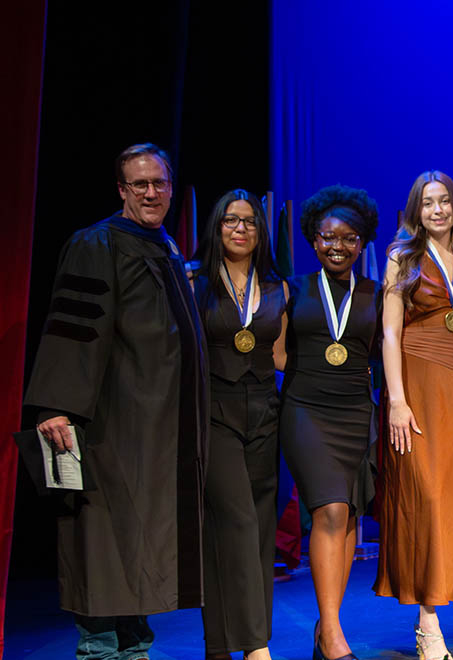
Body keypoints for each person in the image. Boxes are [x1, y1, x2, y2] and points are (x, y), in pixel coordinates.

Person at [23, 143, 208, 660]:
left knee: (140, 533)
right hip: (112, 417)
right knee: (103, 531)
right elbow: (73, 327)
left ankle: (134, 647)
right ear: (122, 190)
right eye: (139, 184)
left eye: (159, 183)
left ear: (171, 187)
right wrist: (57, 405)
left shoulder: (164, 245)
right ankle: (100, 649)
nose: (151, 193)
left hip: (158, 421)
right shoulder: (98, 242)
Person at [374, 170, 453, 660]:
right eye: (427, 203)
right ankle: (428, 622)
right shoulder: (402, 258)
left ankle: (436, 611)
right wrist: (396, 399)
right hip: (416, 383)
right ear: (415, 211)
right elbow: (390, 334)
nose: (436, 210)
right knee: (428, 498)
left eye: (444, 202)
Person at [280, 185, 381, 660]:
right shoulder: (292, 288)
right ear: (313, 240)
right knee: (331, 512)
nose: (337, 245)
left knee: (346, 522)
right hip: (305, 410)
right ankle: (336, 637)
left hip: (356, 413)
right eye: (327, 237)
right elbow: (277, 352)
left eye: (348, 237)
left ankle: (327, 628)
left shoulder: (375, 295)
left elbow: (386, 356)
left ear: (362, 243)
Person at [191, 189, 288, 660]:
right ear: (217, 227)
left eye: (249, 222)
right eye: (231, 220)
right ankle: (255, 646)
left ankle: (218, 646)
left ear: (260, 231)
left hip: (265, 415)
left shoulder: (278, 288)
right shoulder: (195, 284)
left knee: (259, 529)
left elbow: (283, 356)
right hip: (215, 413)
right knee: (238, 521)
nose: (240, 229)